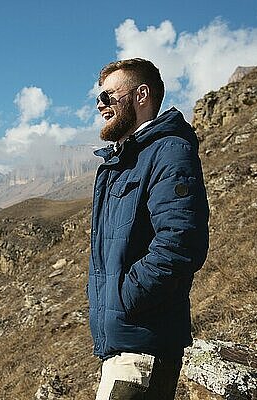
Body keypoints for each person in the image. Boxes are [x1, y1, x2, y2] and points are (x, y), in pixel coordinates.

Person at [88, 58, 209, 399]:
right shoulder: (125, 160)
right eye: (99, 97)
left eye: (109, 95)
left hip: (143, 344)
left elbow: (180, 243)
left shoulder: (170, 152)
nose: (101, 104)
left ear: (142, 95)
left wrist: (125, 298)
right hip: (123, 344)